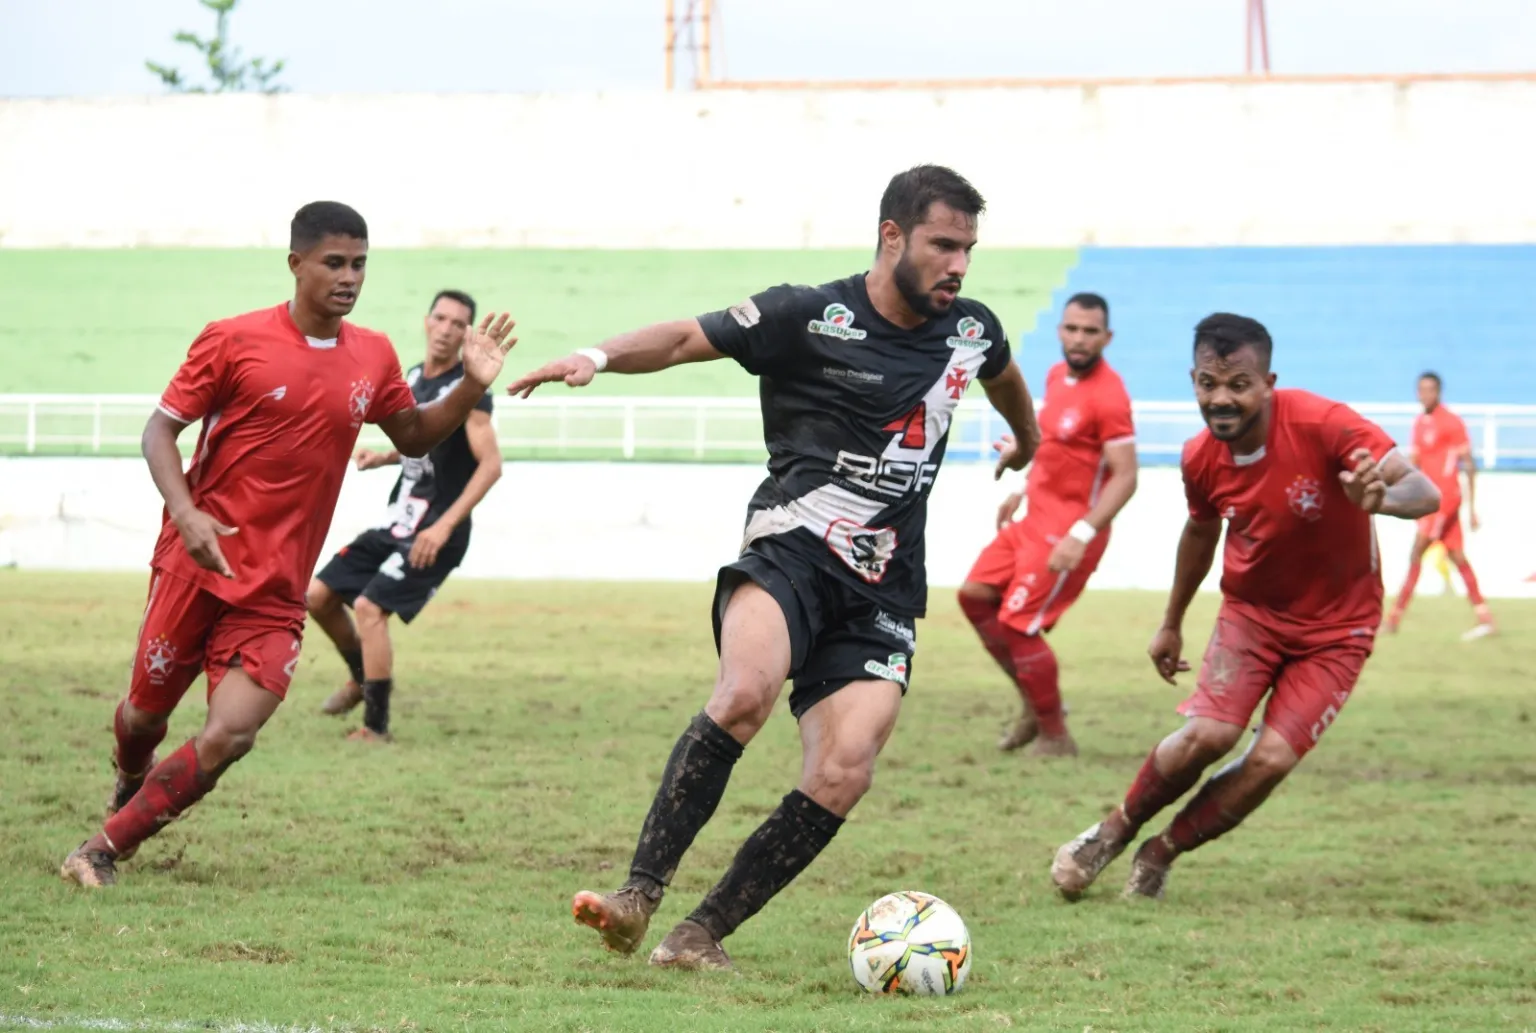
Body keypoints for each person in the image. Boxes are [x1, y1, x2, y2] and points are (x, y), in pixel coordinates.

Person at [504, 165, 1042, 971]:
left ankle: (699, 933)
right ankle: (636, 896)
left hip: (884, 588)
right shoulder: (807, 313)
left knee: (844, 769)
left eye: (968, 247)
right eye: (942, 244)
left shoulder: (972, 327)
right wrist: (595, 357)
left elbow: (1003, 379)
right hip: (791, 549)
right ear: (892, 235)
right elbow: (689, 336)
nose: (959, 264)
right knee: (744, 693)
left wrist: (1026, 443)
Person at [59, 202, 516, 889]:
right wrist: (185, 513)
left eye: (360, 263)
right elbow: (160, 431)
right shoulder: (232, 339)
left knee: (231, 734)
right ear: (296, 263)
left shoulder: (373, 353)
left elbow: (416, 434)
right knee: (142, 715)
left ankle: (100, 849)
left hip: (274, 589)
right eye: (334, 262)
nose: (349, 276)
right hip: (195, 565)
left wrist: (472, 387)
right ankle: (129, 777)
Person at [1050, 313, 1440, 902]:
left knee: (1271, 760)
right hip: (1253, 615)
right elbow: (1201, 533)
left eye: (1238, 384)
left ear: (1268, 383)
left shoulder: (1323, 422)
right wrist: (1171, 621)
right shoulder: (1200, 458)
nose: (1222, 398)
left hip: (1340, 630)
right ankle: (1113, 832)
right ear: (1194, 380)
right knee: (1208, 735)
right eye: (1209, 383)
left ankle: (1162, 851)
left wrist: (1381, 500)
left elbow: (1423, 491)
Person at [306, 289, 504, 741]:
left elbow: (491, 465)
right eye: (441, 318)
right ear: (426, 321)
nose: (448, 329)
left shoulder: (470, 390)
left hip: (437, 531)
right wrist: (386, 457)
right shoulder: (414, 377)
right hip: (400, 521)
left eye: (459, 324)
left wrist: (444, 525)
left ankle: (376, 727)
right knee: (316, 596)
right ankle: (362, 676)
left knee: (369, 608)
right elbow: (425, 440)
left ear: (467, 334)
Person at [958, 292, 1137, 757]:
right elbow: (1055, 448)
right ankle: (1034, 705)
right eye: (1072, 328)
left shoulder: (1110, 396)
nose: (1079, 339)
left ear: (1107, 337)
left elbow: (1127, 475)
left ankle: (1056, 737)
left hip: (1070, 530)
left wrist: (1082, 533)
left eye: (1090, 331)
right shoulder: (1057, 376)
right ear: (1060, 330)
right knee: (974, 596)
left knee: (1018, 625)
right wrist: (1022, 488)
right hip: (1033, 515)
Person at [1383, 372, 1495, 640]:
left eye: (1429, 389)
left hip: (1443, 498)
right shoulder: (1420, 423)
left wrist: (1472, 506)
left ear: (1439, 392)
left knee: (1416, 553)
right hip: (1431, 499)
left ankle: (1394, 618)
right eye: (1421, 390)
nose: (1424, 394)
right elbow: (1415, 464)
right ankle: (1484, 617)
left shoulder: (1451, 422)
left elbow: (1468, 463)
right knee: (1457, 557)